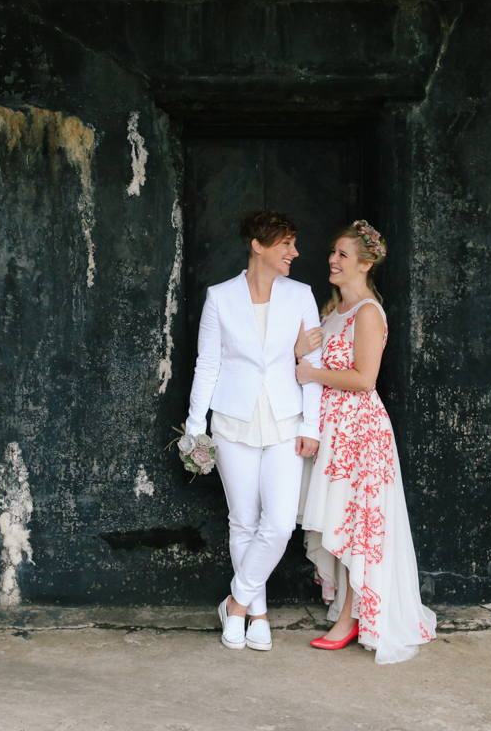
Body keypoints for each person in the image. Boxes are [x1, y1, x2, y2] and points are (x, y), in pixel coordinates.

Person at [294, 220, 436, 664]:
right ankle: (347, 611)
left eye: (343, 255)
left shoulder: (368, 313)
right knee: (342, 519)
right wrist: (302, 354)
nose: (333, 261)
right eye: (333, 253)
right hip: (334, 431)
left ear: (365, 263)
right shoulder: (332, 309)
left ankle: (354, 618)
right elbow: (308, 359)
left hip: (360, 432)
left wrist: (311, 372)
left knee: (360, 526)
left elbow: (364, 378)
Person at [185, 209, 325, 652]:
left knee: (280, 524)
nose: (294, 252)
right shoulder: (220, 296)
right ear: (259, 246)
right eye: (286, 244)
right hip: (231, 421)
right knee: (243, 521)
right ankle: (259, 612)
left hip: (287, 421)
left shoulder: (301, 294)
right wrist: (195, 426)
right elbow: (208, 363)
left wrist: (311, 424)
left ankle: (236, 603)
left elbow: (313, 364)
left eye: (293, 243)